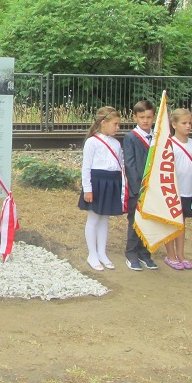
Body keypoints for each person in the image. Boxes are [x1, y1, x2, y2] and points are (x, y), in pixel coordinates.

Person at [79, 106, 126, 271]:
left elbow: (120, 165)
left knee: (105, 219)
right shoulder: (92, 142)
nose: (118, 127)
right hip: (97, 183)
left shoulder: (116, 143)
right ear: (104, 123)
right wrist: (88, 189)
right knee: (93, 218)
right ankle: (92, 254)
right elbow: (86, 168)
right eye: (116, 124)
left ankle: (102, 253)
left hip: (112, 182)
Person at [164, 109, 192, 270]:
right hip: (173, 191)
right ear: (174, 124)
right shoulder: (170, 144)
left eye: (189, 123)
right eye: (184, 123)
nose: (188, 126)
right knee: (171, 222)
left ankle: (181, 254)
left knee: (182, 223)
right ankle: (170, 254)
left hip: (188, 190)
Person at [123, 100, 157, 271]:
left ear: (154, 118)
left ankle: (145, 253)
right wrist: (138, 189)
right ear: (135, 117)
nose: (145, 121)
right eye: (142, 117)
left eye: (149, 117)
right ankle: (131, 253)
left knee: (150, 221)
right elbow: (130, 164)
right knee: (135, 221)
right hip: (138, 189)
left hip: (153, 189)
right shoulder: (131, 138)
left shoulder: (157, 137)